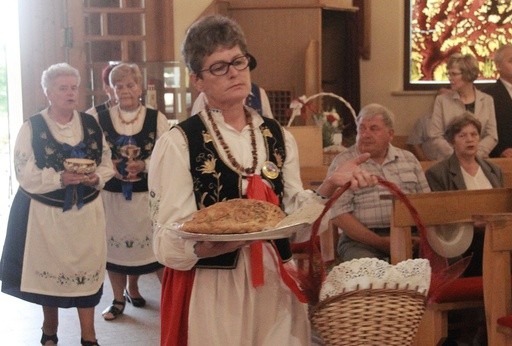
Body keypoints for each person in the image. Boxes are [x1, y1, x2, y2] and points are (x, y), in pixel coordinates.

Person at [148, 15, 377, 346]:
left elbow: (295, 224)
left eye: (239, 61)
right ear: (198, 80)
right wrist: (205, 247)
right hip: (215, 287)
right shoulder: (179, 143)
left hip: (275, 279)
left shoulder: (278, 136)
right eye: (219, 66)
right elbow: (165, 239)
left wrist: (327, 187)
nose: (234, 72)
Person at [0, 63, 114, 346]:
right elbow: (24, 172)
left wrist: (95, 177)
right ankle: (49, 330)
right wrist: (60, 178)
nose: (70, 93)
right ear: (48, 92)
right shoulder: (33, 127)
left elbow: (107, 163)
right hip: (45, 216)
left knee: (85, 275)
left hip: (86, 214)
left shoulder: (90, 124)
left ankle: (89, 336)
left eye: (74, 87)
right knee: (49, 276)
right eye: (63, 88)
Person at [95, 63, 168, 321]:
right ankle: (117, 299)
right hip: (112, 196)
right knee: (116, 249)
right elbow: (87, 149)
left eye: (130, 85)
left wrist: (145, 165)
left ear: (140, 87)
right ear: (111, 90)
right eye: (119, 86)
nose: (125, 90)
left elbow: (167, 155)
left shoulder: (156, 118)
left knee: (144, 249)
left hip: (144, 197)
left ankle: (134, 288)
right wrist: (107, 164)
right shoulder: (97, 116)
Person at [424, 113, 501, 346]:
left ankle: (493, 330)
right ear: (452, 140)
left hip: (493, 237)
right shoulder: (438, 173)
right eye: (463, 135)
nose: (470, 140)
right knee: (487, 256)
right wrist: (471, 222)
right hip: (461, 242)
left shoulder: (493, 170)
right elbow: (440, 215)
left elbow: (502, 204)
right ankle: (470, 335)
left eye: (474, 134)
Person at [329, 103, 431, 262]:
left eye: (373, 128)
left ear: (390, 134)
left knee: (448, 259)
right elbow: (338, 215)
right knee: (368, 272)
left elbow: (427, 203)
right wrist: (381, 243)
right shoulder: (344, 162)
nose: (366, 134)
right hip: (361, 241)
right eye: (362, 128)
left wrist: (419, 236)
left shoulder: (409, 160)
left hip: (409, 236)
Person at [424, 53, 497, 160]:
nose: (450, 78)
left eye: (454, 74)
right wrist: (456, 156)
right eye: (449, 74)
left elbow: (492, 136)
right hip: (449, 161)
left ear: (468, 74)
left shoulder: (487, 100)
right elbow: (435, 135)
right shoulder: (442, 100)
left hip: (479, 161)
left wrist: (475, 155)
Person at [483, 44, 512, 158]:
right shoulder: (487, 95)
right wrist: (501, 150)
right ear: (498, 66)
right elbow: (483, 132)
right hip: (506, 160)